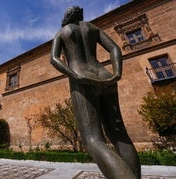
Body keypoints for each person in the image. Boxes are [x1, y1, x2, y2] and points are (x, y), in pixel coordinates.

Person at [51, 6, 141, 179]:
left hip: (82, 77)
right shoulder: (92, 28)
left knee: (93, 140)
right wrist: (117, 73)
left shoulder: (63, 31)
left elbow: (53, 59)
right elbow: (115, 48)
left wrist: (74, 75)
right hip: (105, 74)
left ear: (66, 18)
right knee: (119, 134)